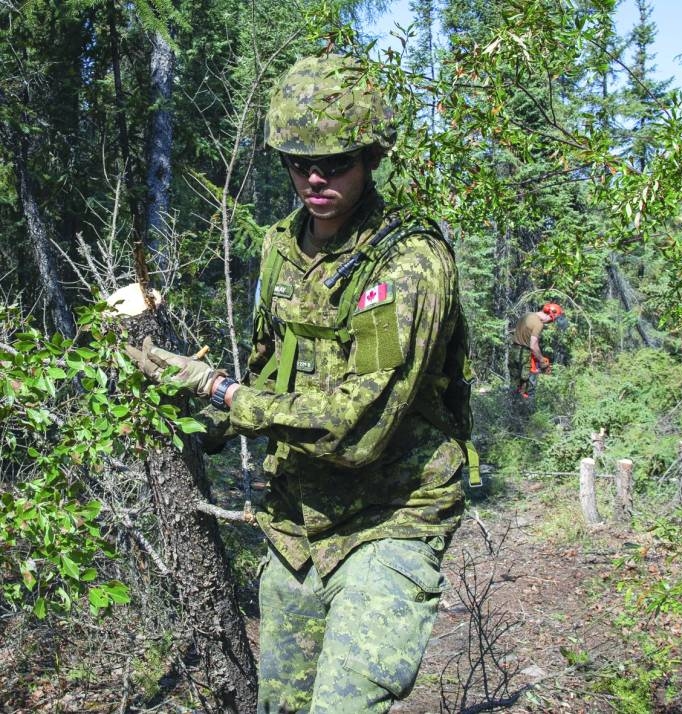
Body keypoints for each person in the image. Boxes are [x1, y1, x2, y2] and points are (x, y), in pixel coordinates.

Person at [125, 53, 470, 713]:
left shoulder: (407, 264)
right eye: (296, 161)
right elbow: (269, 366)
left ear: (370, 156)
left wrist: (222, 392)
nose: (314, 177)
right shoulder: (281, 248)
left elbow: (356, 429)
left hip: (389, 520)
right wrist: (185, 392)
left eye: (335, 161)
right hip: (295, 526)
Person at [509, 301, 567, 399]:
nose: (549, 322)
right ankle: (525, 410)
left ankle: (510, 406)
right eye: (551, 320)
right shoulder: (538, 324)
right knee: (528, 386)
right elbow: (533, 345)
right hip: (525, 355)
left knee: (514, 383)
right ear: (550, 314)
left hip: (514, 351)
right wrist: (541, 360)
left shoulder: (527, 315)